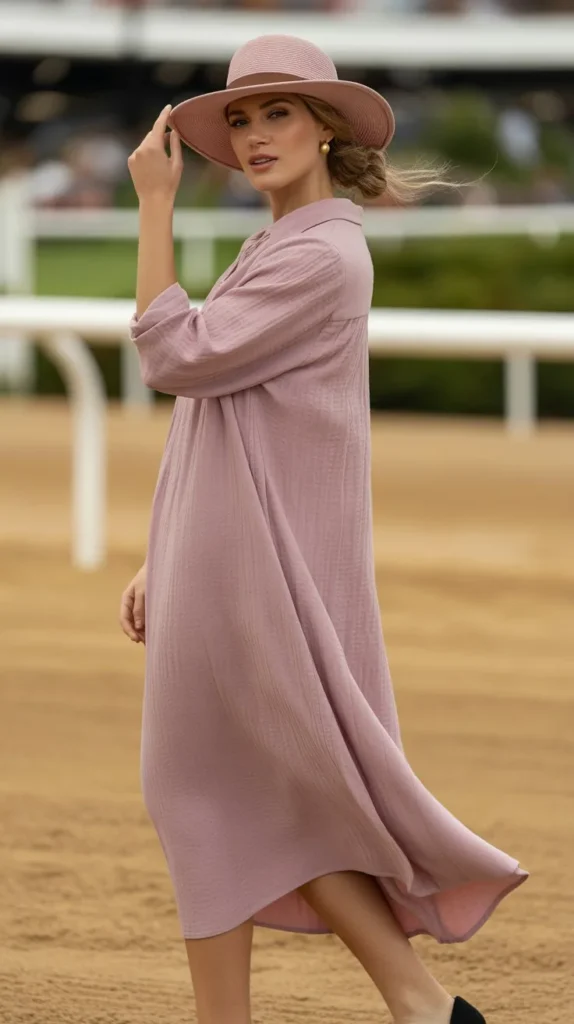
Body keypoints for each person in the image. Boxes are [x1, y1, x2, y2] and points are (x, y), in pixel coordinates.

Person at [119, 33, 528, 1024]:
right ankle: (420, 1003)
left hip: (254, 565)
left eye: (279, 114)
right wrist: (158, 549)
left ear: (327, 127)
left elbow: (174, 356)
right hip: (229, 552)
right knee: (253, 794)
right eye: (243, 120)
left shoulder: (319, 256)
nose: (256, 136)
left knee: (202, 790)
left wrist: (156, 207)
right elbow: (219, 412)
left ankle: (399, 1000)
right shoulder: (286, 245)